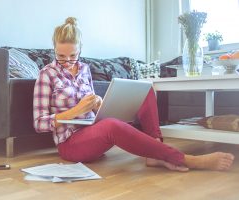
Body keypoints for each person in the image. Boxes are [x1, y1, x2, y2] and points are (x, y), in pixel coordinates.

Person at [33, 17, 234, 171]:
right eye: (61, 57)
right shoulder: (47, 74)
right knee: (111, 126)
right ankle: (183, 158)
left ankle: (155, 150)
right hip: (70, 144)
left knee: (145, 88)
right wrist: (74, 111)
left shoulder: (85, 69)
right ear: (54, 49)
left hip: (92, 129)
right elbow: (39, 123)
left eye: (72, 56)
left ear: (80, 51)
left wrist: (97, 104)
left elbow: (92, 107)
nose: (67, 62)